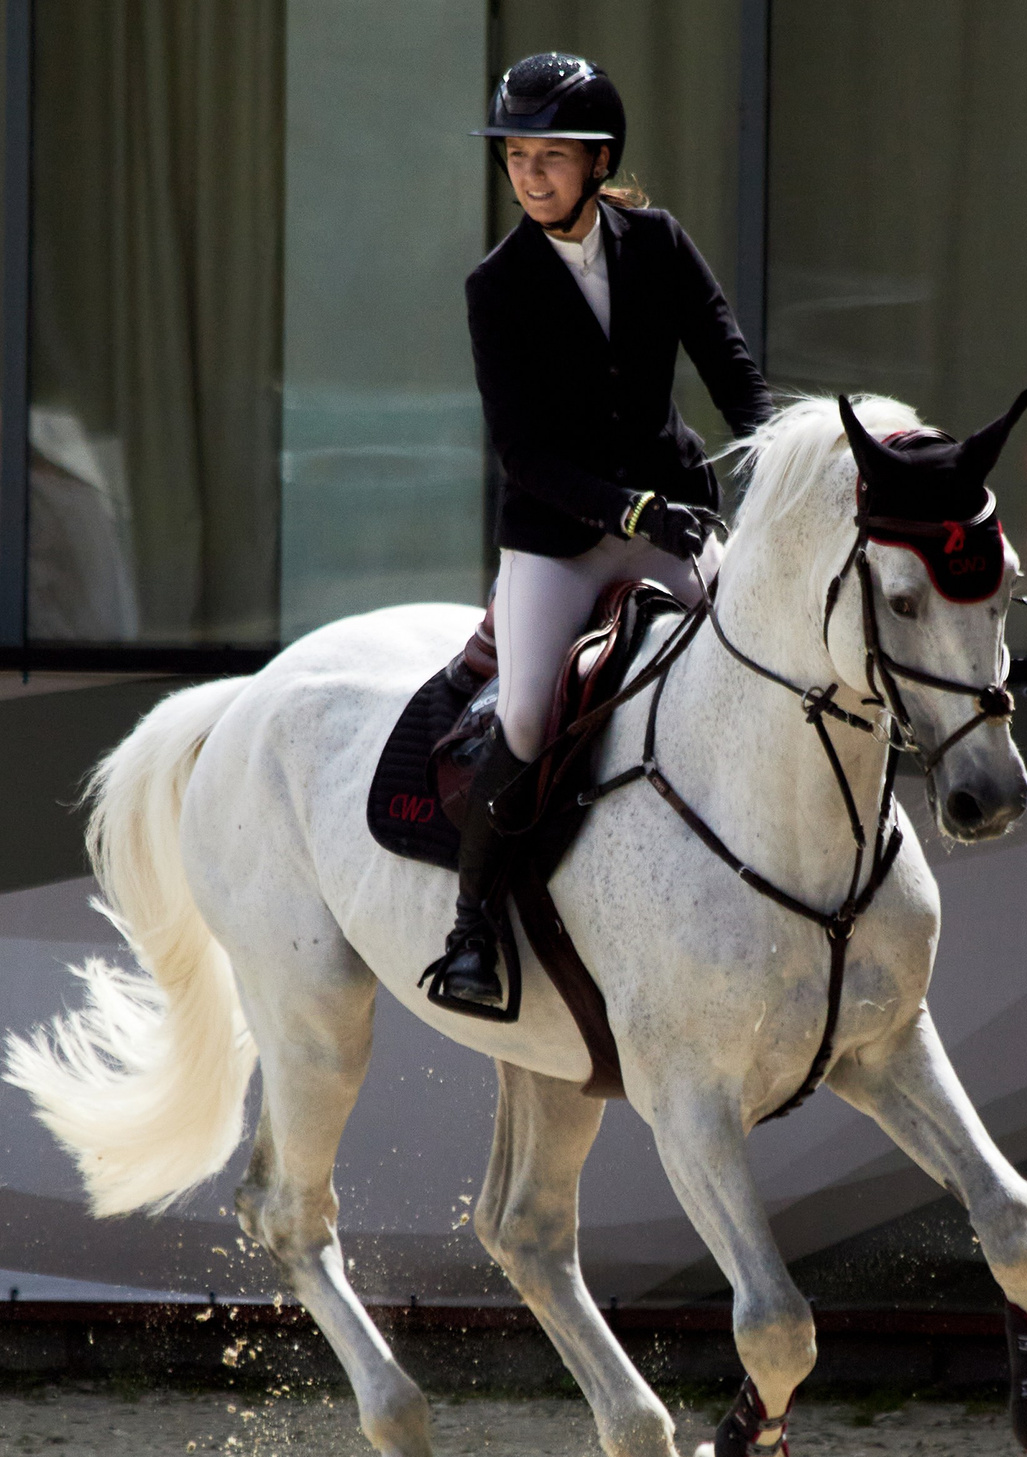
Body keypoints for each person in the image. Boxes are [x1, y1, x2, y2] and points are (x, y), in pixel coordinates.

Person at [422, 51, 772, 1015]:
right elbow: (524, 455)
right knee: (529, 716)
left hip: (673, 509)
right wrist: (628, 511)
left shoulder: (657, 242)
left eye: (550, 156)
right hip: (558, 537)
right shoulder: (496, 287)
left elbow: (731, 365)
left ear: (598, 158)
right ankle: (472, 926)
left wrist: (785, 454)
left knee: (762, 667)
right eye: (516, 157)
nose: (530, 176)